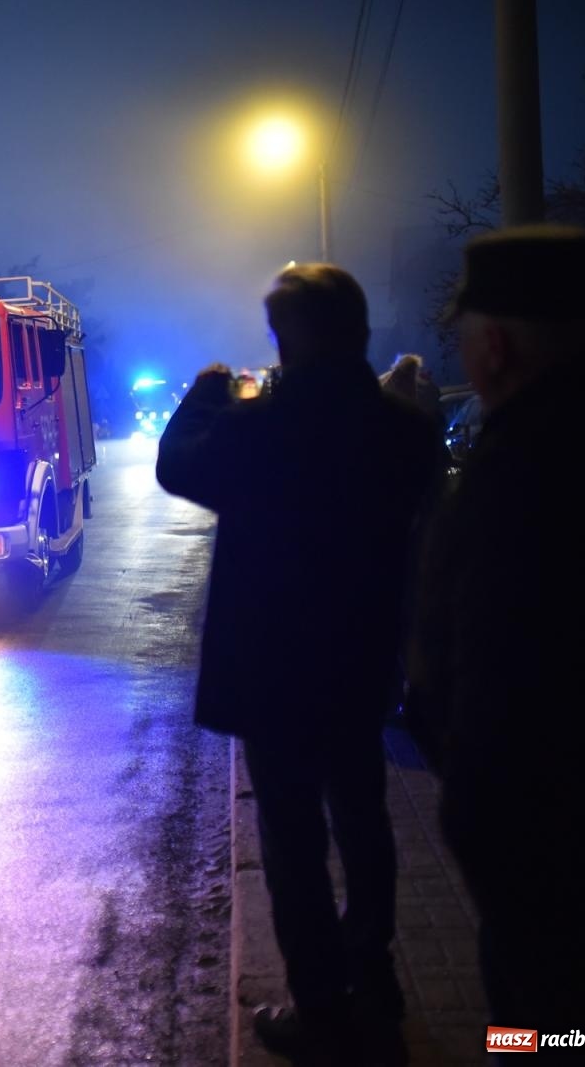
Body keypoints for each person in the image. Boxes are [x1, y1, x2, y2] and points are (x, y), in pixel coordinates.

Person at [156, 263, 442, 1063]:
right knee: (364, 814)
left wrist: (209, 388)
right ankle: (373, 973)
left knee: (291, 838)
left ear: (291, 336)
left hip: (275, 670)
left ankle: (320, 1008)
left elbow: (178, 464)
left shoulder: (261, 429)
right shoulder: (404, 432)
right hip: (361, 661)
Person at [407, 226, 585, 1057]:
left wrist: (475, 819)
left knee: (557, 1034)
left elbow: (496, 680)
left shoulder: (521, 473)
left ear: (496, 346)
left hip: (545, 851)